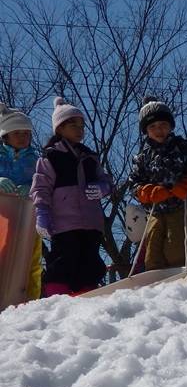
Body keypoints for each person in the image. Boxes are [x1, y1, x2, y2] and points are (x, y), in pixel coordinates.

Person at [30, 97, 114, 296]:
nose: (79, 129)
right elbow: (40, 186)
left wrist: (103, 187)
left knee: (90, 261)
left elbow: (107, 180)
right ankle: (58, 296)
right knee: (63, 261)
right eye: (73, 125)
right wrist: (42, 212)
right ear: (60, 128)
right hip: (64, 223)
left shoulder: (90, 156)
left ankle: (88, 294)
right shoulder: (51, 156)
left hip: (91, 221)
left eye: (82, 125)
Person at [128, 98, 187, 271]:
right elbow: (133, 182)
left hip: (181, 204)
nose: (158, 130)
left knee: (176, 245)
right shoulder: (143, 156)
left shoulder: (184, 147)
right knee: (153, 249)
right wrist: (145, 191)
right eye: (153, 127)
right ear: (146, 130)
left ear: (170, 126)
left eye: (163, 125)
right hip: (156, 210)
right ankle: (155, 277)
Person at [0, 102, 43, 299]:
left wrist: (33, 187)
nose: (23, 137)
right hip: (2, 217)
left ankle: (30, 301)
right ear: (5, 135)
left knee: (30, 260)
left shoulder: (36, 160)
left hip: (28, 219)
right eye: (17, 133)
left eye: (26, 133)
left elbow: (45, 183)